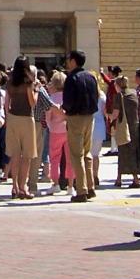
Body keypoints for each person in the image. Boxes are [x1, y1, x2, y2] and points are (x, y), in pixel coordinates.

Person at [62, 49, 99, 203]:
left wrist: (66, 110)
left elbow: (68, 100)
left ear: (73, 61)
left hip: (75, 117)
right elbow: (96, 95)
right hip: (90, 116)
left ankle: (81, 190)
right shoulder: (91, 76)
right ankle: (90, 187)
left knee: (76, 154)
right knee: (87, 152)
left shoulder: (71, 78)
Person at [4, 56, 37, 200]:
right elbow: (32, 103)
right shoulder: (28, 82)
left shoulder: (10, 82)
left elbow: (6, 102)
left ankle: (14, 187)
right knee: (27, 156)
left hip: (12, 118)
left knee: (15, 155)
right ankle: (23, 187)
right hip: (26, 118)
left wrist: (7, 116)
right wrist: (36, 91)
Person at [44, 72, 72, 193]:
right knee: (70, 158)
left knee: (54, 158)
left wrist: (51, 127)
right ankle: (70, 185)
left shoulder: (51, 99)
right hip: (68, 129)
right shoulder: (69, 97)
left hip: (55, 130)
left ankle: (55, 183)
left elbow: (47, 118)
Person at [114, 75, 140, 188]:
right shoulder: (134, 93)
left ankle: (119, 179)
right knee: (133, 153)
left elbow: (115, 113)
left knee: (122, 153)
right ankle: (135, 178)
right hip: (134, 126)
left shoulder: (118, 96)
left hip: (123, 127)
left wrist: (109, 118)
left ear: (118, 85)